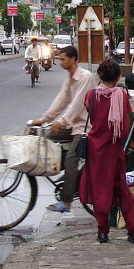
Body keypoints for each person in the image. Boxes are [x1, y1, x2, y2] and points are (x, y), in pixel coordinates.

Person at [79, 59, 134, 244]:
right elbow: (126, 123)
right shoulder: (122, 96)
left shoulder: (91, 95)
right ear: (118, 76)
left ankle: (102, 231)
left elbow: (89, 111)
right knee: (121, 189)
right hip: (115, 149)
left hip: (96, 150)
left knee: (100, 190)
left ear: (99, 75)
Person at [30, 45, 96, 213]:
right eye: (59, 59)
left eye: (63, 59)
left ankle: (66, 202)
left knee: (71, 160)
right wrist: (44, 119)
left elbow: (77, 104)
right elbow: (61, 101)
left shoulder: (85, 77)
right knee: (47, 138)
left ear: (73, 59)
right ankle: (68, 175)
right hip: (72, 124)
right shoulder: (70, 77)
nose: (60, 62)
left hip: (85, 126)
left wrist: (62, 121)